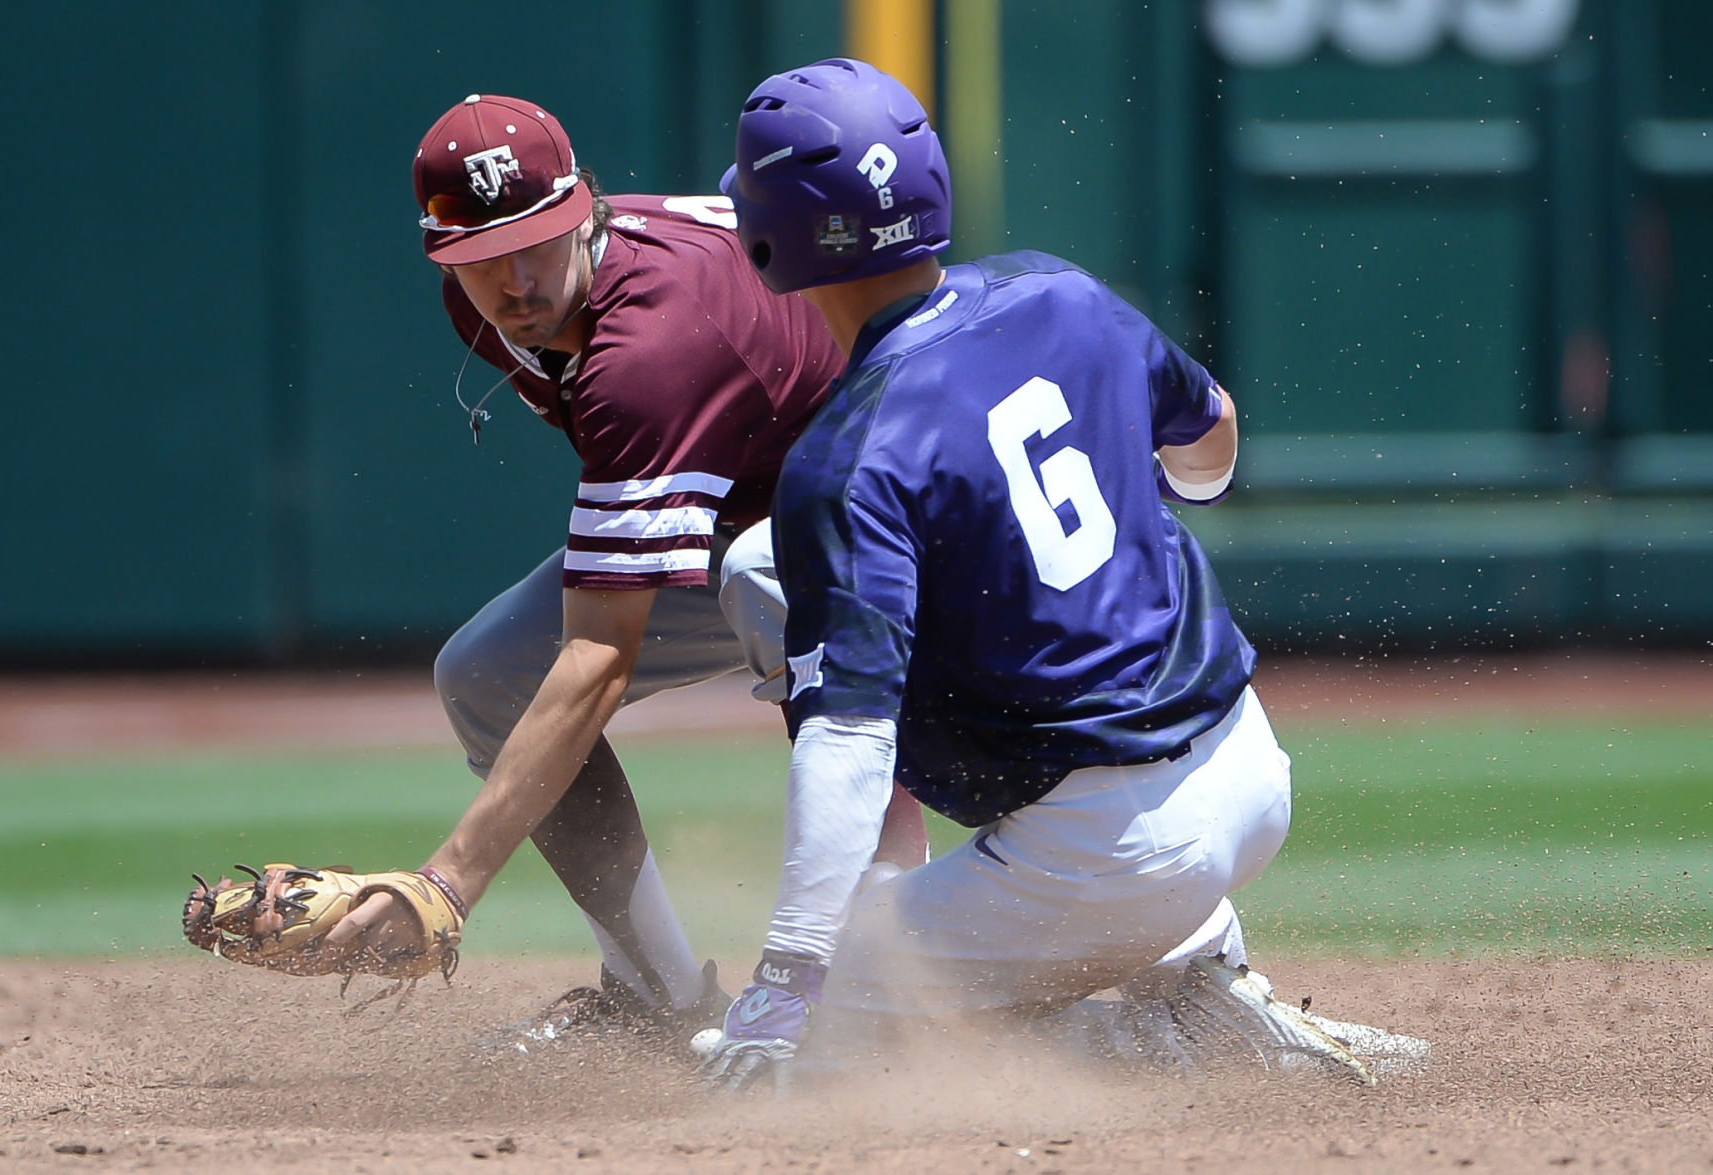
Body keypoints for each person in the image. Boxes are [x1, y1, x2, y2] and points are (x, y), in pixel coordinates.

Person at [699, 59, 1425, 1089]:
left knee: (820, 1046)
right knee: (787, 569)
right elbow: (1210, 430)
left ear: (776, 237)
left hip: (1108, 853)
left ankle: (1171, 1043)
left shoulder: (845, 454)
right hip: (1252, 771)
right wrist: (1157, 497)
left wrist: (787, 978)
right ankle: (1202, 972)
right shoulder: (1056, 286)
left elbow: (852, 743)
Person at [327, 92, 927, 1048]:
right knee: (487, 672)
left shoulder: (648, 344)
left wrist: (447, 881)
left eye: (538, 237)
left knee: (779, 591)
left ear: (585, 205)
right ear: (441, 255)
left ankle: (906, 976)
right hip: (761, 497)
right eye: (481, 255)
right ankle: (654, 996)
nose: (516, 278)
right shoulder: (484, 307)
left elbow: (600, 659)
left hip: (910, 493)